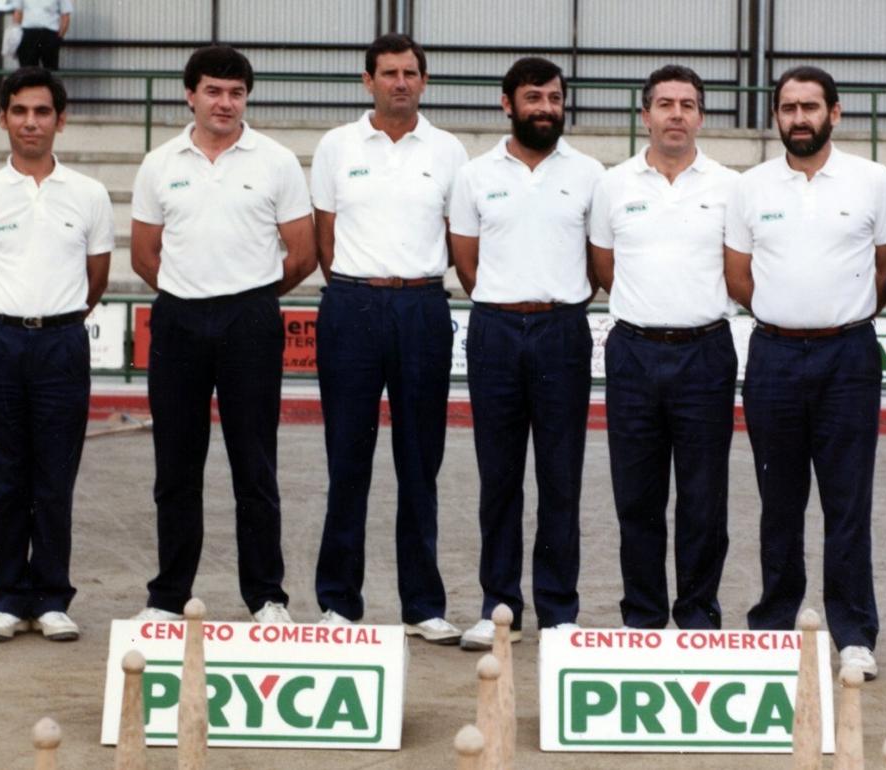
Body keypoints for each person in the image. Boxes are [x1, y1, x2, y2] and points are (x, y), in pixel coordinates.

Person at [724, 65, 886, 679]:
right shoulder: (750, 187)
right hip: (773, 354)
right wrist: (789, 317)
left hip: (848, 356)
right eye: (788, 108)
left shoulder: (873, 180)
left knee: (847, 500)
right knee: (779, 500)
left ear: (836, 111)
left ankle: (853, 631)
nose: (799, 119)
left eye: (810, 107)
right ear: (775, 115)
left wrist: (833, 318)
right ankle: (774, 624)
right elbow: (739, 278)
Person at [129, 46, 316, 623]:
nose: (225, 103)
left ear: (247, 98)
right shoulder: (159, 163)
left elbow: (303, 253)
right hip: (180, 319)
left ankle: (266, 597)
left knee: (254, 464)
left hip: (251, 320)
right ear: (190, 95)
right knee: (176, 466)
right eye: (213, 91)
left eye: (236, 93)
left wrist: (249, 295)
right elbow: (143, 254)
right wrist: (193, 289)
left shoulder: (277, 162)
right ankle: (167, 597)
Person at [310, 34, 468, 642]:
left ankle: (422, 603)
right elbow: (325, 239)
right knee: (347, 457)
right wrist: (361, 288)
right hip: (351, 302)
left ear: (424, 82)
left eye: (410, 73)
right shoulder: (336, 147)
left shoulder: (449, 151)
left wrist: (406, 290)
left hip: (423, 305)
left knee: (419, 462)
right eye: (388, 73)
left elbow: (459, 236)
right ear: (366, 80)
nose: (400, 82)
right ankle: (339, 602)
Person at [0, 66, 113, 643]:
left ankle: (50, 597)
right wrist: (8, 323)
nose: (30, 122)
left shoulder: (90, 195)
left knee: (53, 476)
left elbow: (96, 278)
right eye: (19, 111)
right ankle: (6, 596)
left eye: (42, 111)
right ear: (3, 119)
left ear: (60, 121)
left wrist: (51, 323)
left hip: (61, 345)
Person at [449, 57, 603, 650]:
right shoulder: (474, 175)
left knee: (561, 476)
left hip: (562, 329)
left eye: (555, 97)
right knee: (500, 476)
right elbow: (466, 262)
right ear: (507, 103)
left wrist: (550, 303)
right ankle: (498, 605)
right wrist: (508, 302)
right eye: (533, 97)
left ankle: (560, 609)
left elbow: (597, 264)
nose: (545, 108)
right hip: (495, 331)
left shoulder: (590, 174)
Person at [589, 65, 740, 630]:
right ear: (645, 114)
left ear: (701, 116)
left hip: (705, 351)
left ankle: (698, 614)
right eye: (665, 104)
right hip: (633, 350)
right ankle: (644, 618)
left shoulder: (730, 185)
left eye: (688, 104)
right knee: (637, 498)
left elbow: (738, 268)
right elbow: (604, 267)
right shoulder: (613, 184)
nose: (676, 114)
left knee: (704, 500)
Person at [12, 0, 72, 71]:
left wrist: (58, 38)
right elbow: (18, 12)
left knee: (50, 70)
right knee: (27, 71)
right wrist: (16, 33)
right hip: (28, 34)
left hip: (49, 34)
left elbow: (65, 16)